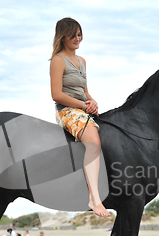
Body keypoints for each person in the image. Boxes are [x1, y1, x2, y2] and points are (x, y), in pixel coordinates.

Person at [50, 17, 111, 217]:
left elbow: (84, 91)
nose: (77, 38)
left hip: (82, 108)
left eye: (79, 34)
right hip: (67, 110)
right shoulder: (58, 60)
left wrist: (92, 102)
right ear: (63, 36)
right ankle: (94, 198)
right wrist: (82, 105)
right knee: (93, 142)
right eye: (73, 35)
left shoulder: (82, 61)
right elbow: (56, 94)